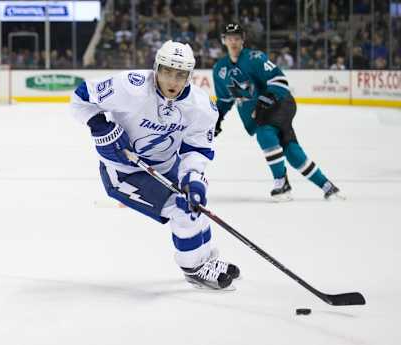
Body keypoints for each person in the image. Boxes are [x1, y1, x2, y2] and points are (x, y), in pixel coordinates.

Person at [71, 40, 240, 290]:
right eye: (167, 72)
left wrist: (193, 177)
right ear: (156, 68)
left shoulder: (201, 107)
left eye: (180, 74)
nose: (172, 81)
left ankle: (204, 258)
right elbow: (80, 97)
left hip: (166, 165)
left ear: (189, 76)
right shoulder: (130, 87)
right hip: (124, 171)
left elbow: (196, 149)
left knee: (195, 203)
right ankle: (193, 267)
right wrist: (99, 124)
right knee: (181, 209)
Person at [213, 24, 344, 201]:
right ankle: (328, 186)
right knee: (291, 150)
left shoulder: (255, 58)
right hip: (259, 115)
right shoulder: (220, 70)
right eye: (229, 38)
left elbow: (280, 80)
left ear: (243, 39)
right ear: (224, 41)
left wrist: (263, 101)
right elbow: (225, 100)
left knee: (265, 133)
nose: (233, 42)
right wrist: (217, 118)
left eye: (237, 38)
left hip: (280, 104)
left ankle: (281, 183)